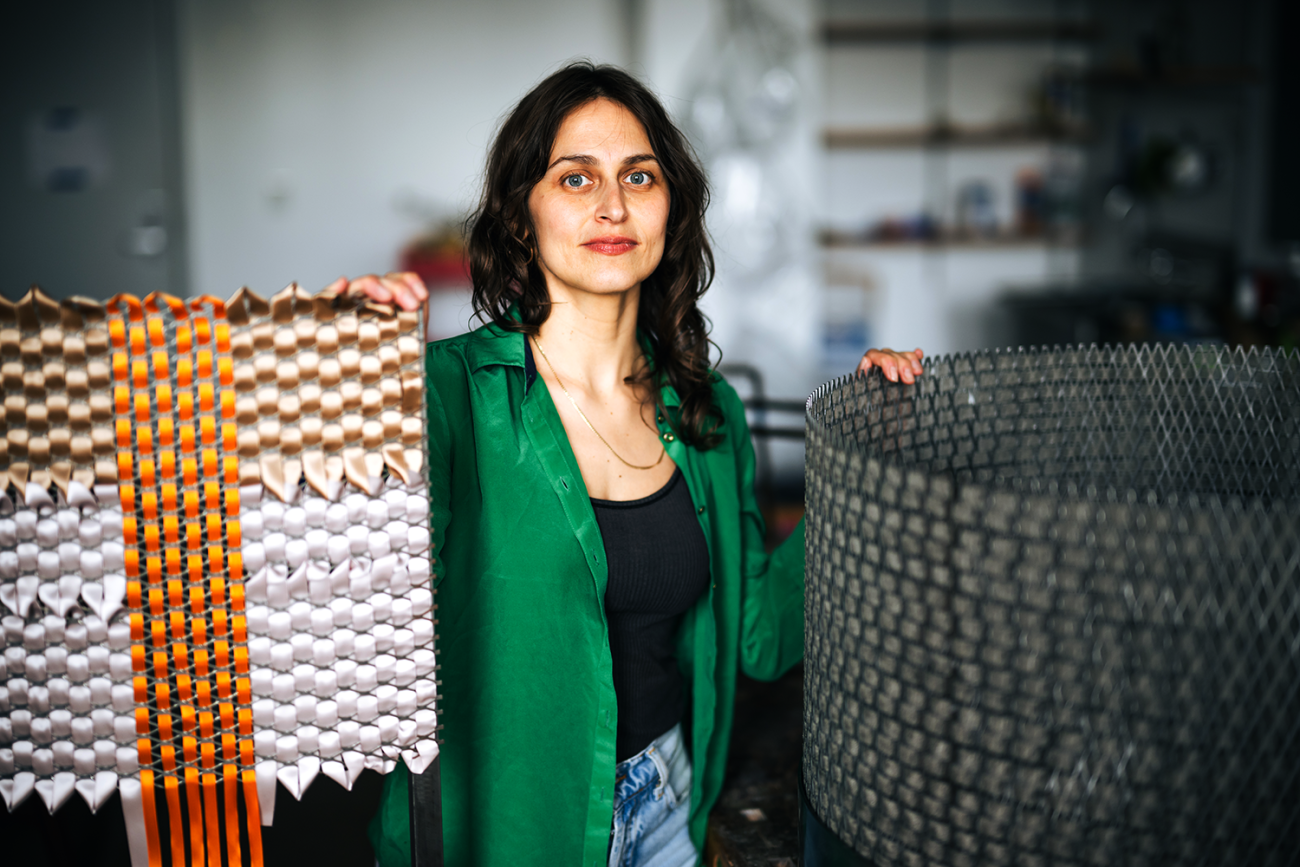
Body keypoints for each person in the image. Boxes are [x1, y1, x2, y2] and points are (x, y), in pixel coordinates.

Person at [336, 62, 924, 867]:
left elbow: (759, 635)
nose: (612, 205)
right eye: (575, 178)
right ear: (520, 218)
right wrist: (337, 366)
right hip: (503, 829)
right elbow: (329, 577)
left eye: (638, 177)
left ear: (669, 208)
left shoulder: (708, 409)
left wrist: (870, 460)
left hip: (669, 808)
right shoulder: (442, 395)